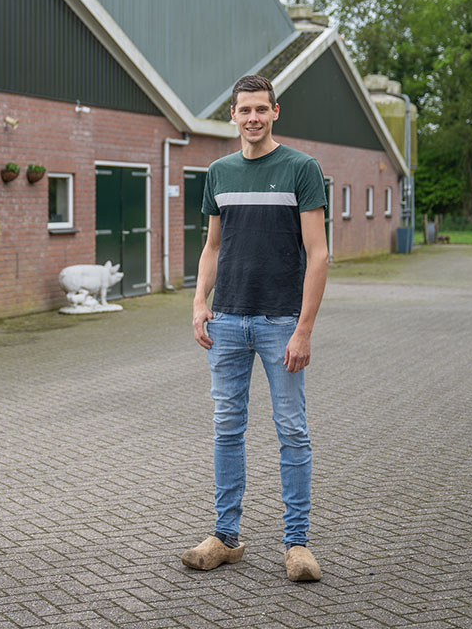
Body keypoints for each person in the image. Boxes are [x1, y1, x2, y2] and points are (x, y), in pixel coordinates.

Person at [182, 74, 329, 582]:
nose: (252, 118)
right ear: (233, 115)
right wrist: (200, 302)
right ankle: (225, 537)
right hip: (226, 323)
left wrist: (304, 329)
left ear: (275, 111)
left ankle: (297, 545)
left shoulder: (301, 168)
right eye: (244, 110)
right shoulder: (219, 172)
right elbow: (213, 247)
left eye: (261, 109)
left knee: (292, 431)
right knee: (227, 428)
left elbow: (319, 253)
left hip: (280, 323)